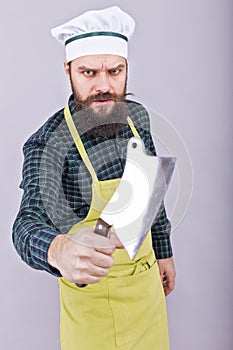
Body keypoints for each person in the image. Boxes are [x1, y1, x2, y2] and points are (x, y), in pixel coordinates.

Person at [12, 6, 176, 350]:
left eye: (115, 71)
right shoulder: (50, 143)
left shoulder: (137, 119)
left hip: (147, 298)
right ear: (68, 70)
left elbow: (149, 191)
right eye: (88, 72)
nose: (104, 86)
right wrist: (59, 250)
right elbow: (26, 224)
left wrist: (163, 251)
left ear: (127, 69)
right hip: (94, 315)